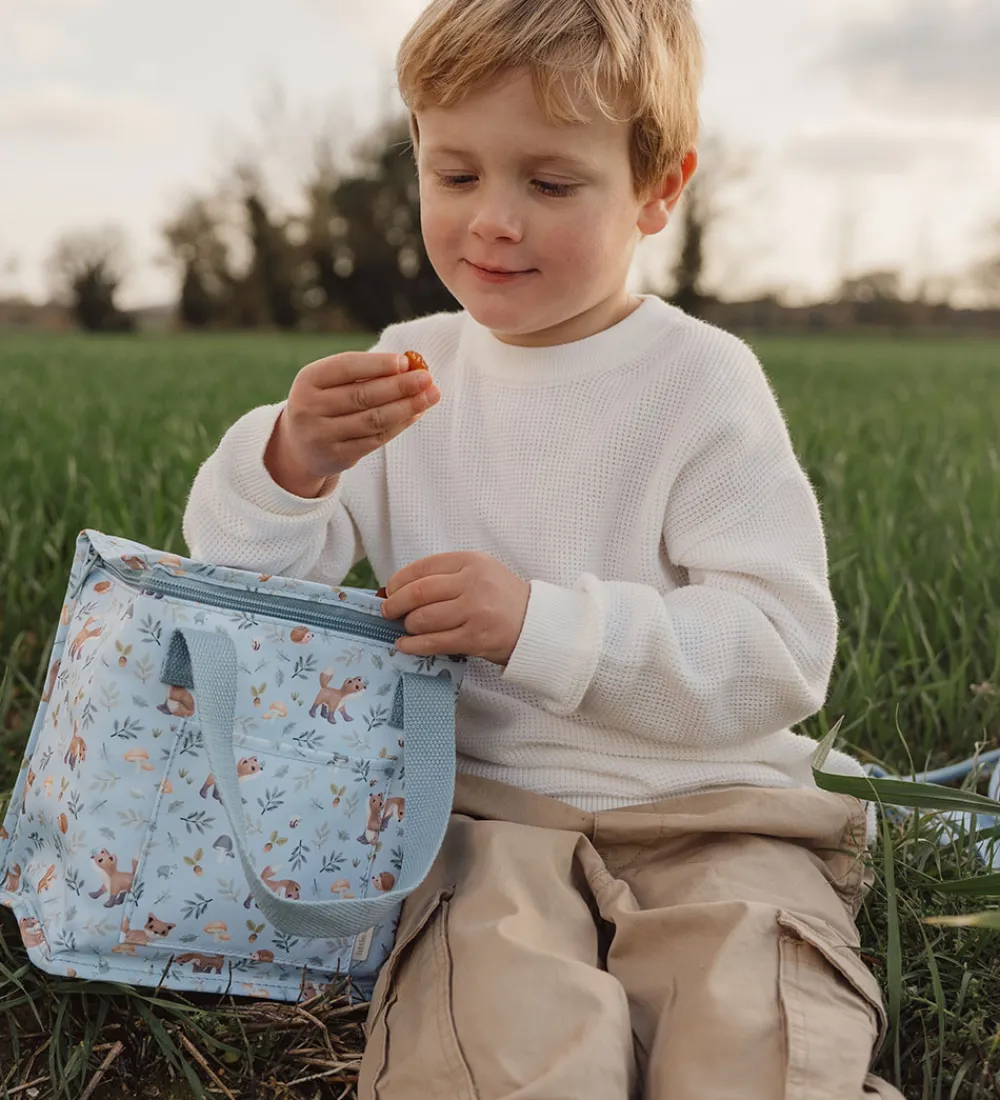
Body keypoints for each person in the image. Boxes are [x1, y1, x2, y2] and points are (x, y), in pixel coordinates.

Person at [183, 1, 906, 1096]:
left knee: (754, 1028)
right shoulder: (407, 371)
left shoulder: (696, 383)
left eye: (550, 183)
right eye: (455, 175)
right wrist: (288, 461)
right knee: (492, 1045)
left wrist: (541, 624)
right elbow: (252, 587)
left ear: (658, 188)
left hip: (713, 810)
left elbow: (779, 649)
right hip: (482, 822)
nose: (492, 222)